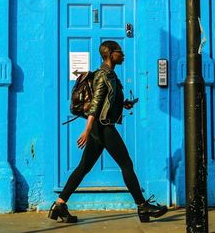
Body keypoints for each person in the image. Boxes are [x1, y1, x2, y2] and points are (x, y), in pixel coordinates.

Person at [48, 40, 167, 223]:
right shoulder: (103, 75)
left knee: (83, 168)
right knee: (126, 164)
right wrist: (87, 130)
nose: (123, 54)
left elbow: (106, 101)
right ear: (111, 54)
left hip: (100, 126)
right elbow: (95, 104)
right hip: (102, 126)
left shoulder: (110, 74)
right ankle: (142, 206)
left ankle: (59, 205)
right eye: (119, 51)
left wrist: (123, 104)